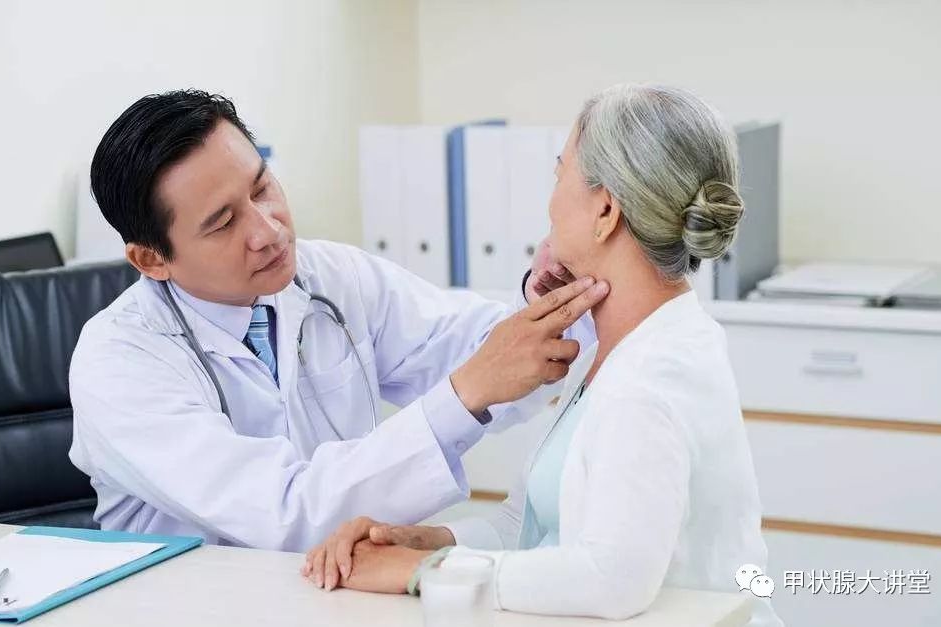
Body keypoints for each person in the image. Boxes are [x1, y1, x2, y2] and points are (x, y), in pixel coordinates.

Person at [305, 84, 783, 626]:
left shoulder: (648, 380)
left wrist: (425, 571)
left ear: (605, 211)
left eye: (560, 175)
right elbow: (531, 527)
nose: (551, 200)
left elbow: (611, 579)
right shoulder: (620, 347)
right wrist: (422, 542)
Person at [68, 90, 605, 551]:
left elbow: (475, 351)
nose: (269, 230)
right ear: (151, 259)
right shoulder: (119, 363)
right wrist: (465, 393)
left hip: (338, 587)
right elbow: (283, 515)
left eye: (261, 188)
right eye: (225, 222)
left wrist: (546, 305)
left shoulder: (329, 277)